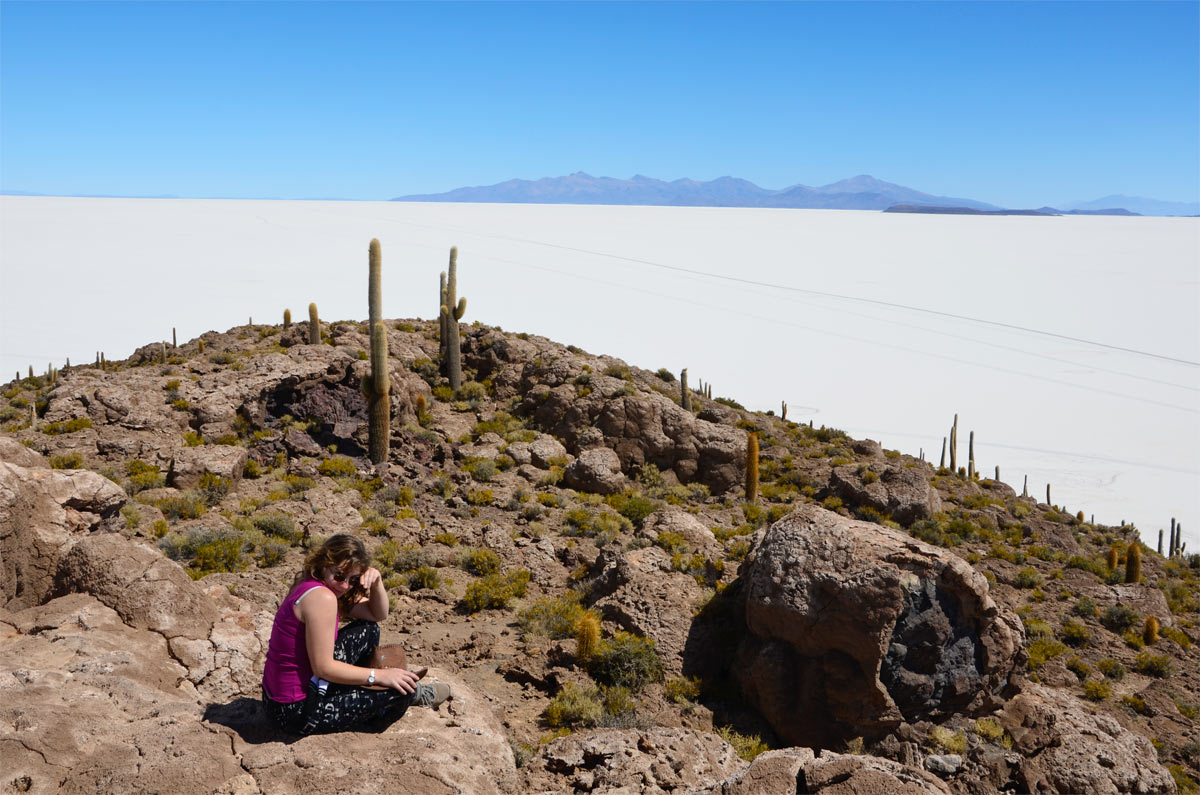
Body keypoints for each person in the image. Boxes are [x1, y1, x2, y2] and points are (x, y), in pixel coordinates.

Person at [261, 534, 450, 734]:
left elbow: (377, 614)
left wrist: (377, 583)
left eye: (352, 580)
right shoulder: (323, 598)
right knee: (401, 692)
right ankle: (387, 704)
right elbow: (323, 668)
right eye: (339, 575)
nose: (344, 586)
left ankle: (359, 693)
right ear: (325, 563)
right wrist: (380, 676)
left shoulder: (312, 583)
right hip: (295, 713)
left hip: (276, 699)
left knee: (368, 630)